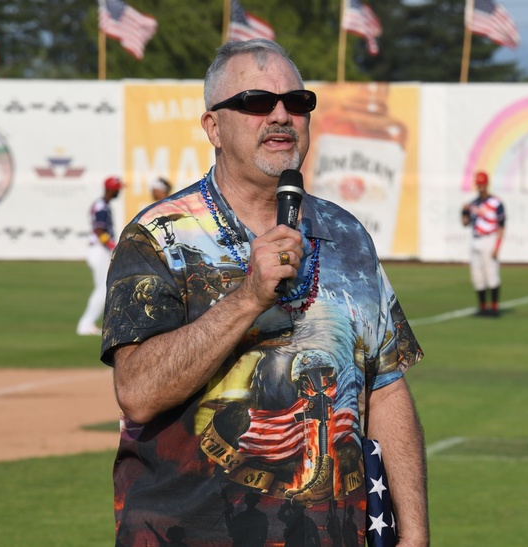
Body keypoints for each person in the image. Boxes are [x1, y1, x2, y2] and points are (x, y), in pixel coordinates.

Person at [99, 39, 429, 547]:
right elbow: (138, 394)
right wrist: (249, 297)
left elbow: (384, 386)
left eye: (296, 103)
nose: (280, 115)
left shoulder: (346, 234)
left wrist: (414, 533)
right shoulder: (159, 236)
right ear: (213, 127)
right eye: (255, 102)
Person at [76, 175, 123, 336]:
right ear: (111, 189)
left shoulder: (103, 205)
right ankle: (86, 324)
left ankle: (87, 323)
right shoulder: (101, 206)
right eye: (118, 189)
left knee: (103, 288)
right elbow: (99, 229)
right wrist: (111, 245)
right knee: (103, 288)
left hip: (99, 249)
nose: (119, 192)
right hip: (98, 249)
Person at [461, 171, 505, 316]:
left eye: (482, 184)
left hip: (489, 239)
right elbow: (465, 223)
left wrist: (497, 246)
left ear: (487, 184)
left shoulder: (496, 202)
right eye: (478, 184)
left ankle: (494, 307)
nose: (480, 187)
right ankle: (482, 307)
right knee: (477, 275)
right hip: (476, 239)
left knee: (491, 273)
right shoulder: (473, 204)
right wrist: (464, 212)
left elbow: (501, 225)